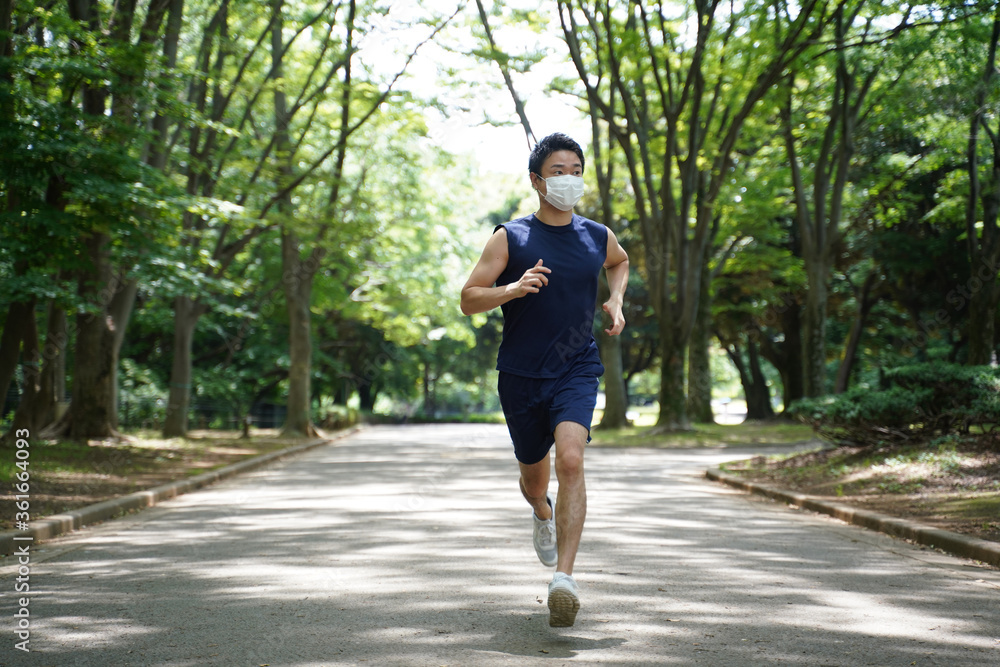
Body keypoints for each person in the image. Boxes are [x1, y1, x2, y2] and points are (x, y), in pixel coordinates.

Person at [460, 132, 629, 627]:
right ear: (536, 180)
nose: (569, 178)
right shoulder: (510, 237)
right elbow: (469, 297)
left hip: (577, 366)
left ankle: (565, 579)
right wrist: (512, 288)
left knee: (572, 459)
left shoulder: (597, 235)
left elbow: (618, 264)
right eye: (558, 170)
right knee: (536, 482)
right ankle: (541, 512)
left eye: (576, 169)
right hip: (521, 374)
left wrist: (616, 300)